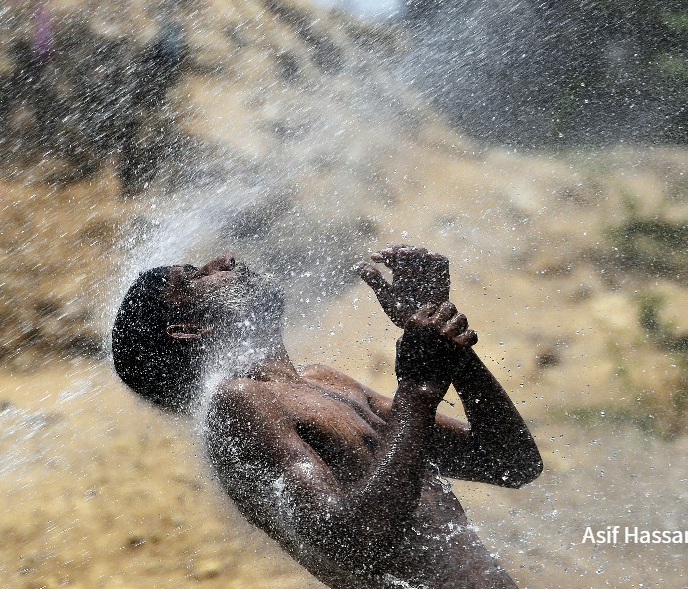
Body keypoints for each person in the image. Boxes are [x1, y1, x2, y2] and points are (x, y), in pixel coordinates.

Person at [112, 245, 543, 588]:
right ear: (188, 328)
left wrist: (445, 336)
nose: (223, 260)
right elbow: (356, 542)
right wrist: (419, 388)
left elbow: (509, 464)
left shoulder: (326, 382)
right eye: (195, 276)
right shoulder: (237, 404)